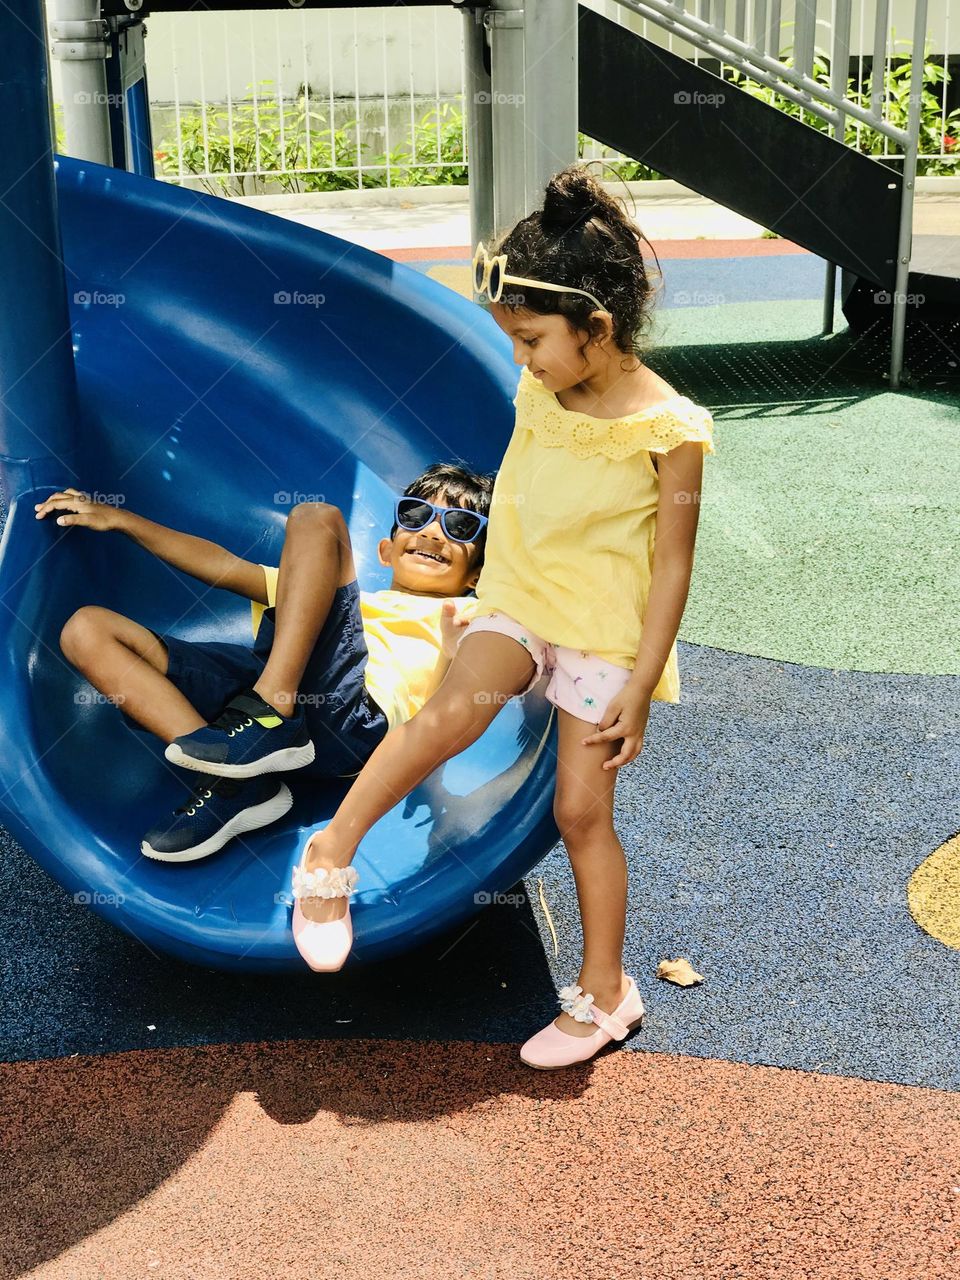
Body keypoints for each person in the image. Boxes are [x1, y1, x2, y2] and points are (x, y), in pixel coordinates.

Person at [288, 162, 717, 1070]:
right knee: (448, 715)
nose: (521, 360)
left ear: (597, 326)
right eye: (513, 341)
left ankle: (607, 992)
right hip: (518, 601)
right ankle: (329, 856)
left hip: (603, 634)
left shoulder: (672, 432)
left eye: (531, 340)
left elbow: (673, 568)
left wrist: (641, 685)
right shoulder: (539, 390)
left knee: (579, 813)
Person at [43, 463, 492, 863]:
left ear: (477, 576)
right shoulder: (327, 596)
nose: (434, 533)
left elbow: (509, 654)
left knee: (317, 517)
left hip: (351, 723)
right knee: (87, 629)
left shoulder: (469, 615)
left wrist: (466, 645)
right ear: (385, 551)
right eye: (416, 515)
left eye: (461, 526)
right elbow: (223, 567)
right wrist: (121, 520)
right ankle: (232, 783)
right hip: (273, 696)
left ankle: (269, 715)